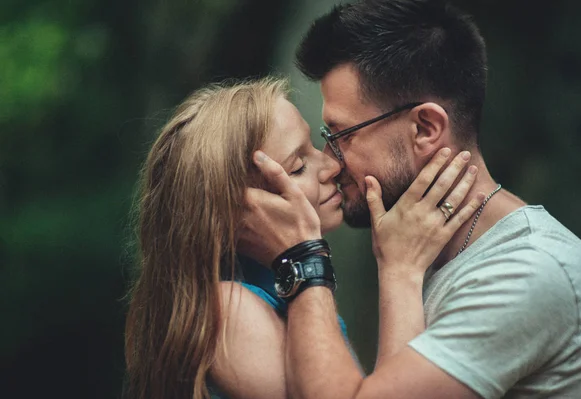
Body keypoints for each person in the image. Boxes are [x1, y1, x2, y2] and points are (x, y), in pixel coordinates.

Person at [240, 0, 581, 398]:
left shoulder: (528, 270)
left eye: (341, 135)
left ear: (426, 129)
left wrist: (303, 258)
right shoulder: (418, 248)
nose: (330, 164)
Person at [123, 77, 480, 399]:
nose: (332, 166)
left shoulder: (268, 291)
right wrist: (391, 269)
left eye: (315, 145)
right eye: (297, 166)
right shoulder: (229, 310)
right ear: (242, 207)